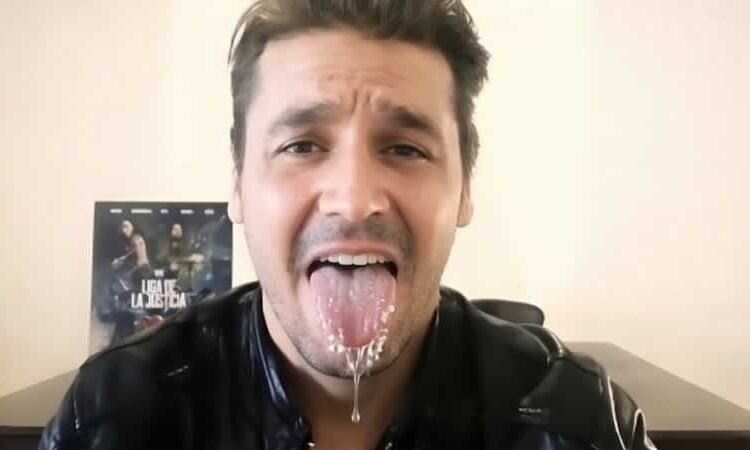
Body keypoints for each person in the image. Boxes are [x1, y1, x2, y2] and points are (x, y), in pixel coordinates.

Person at [40, 1, 656, 449]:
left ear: (466, 187)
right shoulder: (115, 414)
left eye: (406, 149)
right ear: (238, 183)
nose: (354, 200)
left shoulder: (575, 423)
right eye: (302, 145)